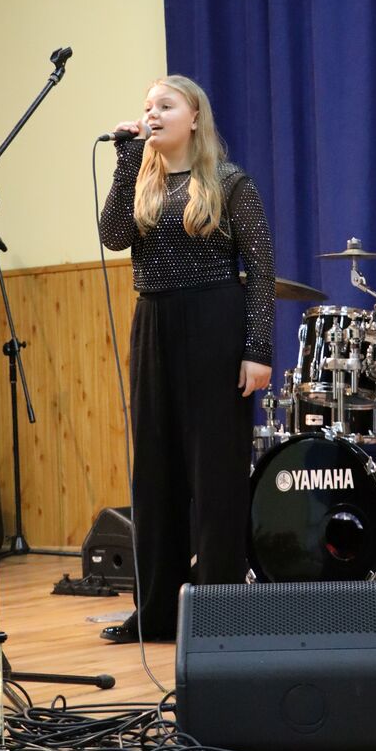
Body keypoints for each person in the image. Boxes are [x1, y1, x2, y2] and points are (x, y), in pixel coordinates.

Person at [98, 75, 275, 643]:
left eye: (165, 106)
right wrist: (127, 159)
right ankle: (156, 611)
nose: (152, 114)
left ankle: (220, 610)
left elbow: (261, 271)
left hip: (214, 325)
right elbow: (112, 236)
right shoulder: (141, 180)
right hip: (154, 323)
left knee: (216, 474)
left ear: (195, 116)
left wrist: (258, 350)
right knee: (155, 473)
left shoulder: (229, 181)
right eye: (147, 106)